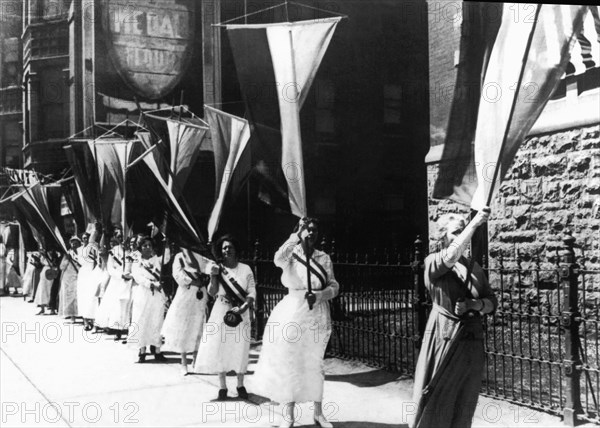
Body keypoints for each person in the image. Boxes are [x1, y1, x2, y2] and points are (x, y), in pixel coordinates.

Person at [409, 208, 498, 428]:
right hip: (445, 338)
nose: (461, 237)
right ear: (442, 237)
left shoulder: (473, 267)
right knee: (440, 399)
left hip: (471, 341)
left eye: (462, 232)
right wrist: (474, 224)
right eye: (455, 233)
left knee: (465, 402)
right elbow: (450, 257)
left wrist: (475, 305)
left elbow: (492, 302)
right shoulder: (433, 262)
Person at [253, 218, 339, 428]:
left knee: (315, 362)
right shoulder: (291, 254)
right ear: (300, 231)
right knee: (289, 360)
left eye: (314, 230)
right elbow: (277, 259)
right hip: (292, 309)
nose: (311, 233)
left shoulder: (324, 257)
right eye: (307, 229)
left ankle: (318, 413)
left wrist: (320, 295)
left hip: (316, 312)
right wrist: (294, 236)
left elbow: (335, 286)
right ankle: (288, 414)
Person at [193, 234, 256, 401]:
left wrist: (243, 308)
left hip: (241, 312)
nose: (227, 250)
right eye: (224, 248)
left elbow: (252, 291)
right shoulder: (217, 268)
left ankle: (240, 384)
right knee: (221, 346)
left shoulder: (246, 269)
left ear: (236, 250)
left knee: (241, 347)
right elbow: (212, 292)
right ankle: (222, 387)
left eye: (230, 247)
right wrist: (213, 275)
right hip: (222, 309)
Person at [161, 248, 218, 375]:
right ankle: (184, 361)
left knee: (198, 326)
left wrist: (210, 269)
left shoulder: (201, 255)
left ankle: (196, 358)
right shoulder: (180, 256)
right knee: (184, 327)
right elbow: (177, 275)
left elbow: (209, 267)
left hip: (200, 293)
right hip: (186, 292)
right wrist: (192, 281)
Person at [129, 236, 168, 363]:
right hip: (143, 293)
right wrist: (151, 284)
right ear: (140, 248)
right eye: (144, 245)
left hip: (156, 295)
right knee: (141, 320)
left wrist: (167, 242)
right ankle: (142, 351)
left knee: (157, 320)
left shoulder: (157, 260)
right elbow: (137, 277)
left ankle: (157, 350)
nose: (147, 248)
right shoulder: (136, 262)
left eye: (149, 245)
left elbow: (167, 257)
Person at [95, 236, 134, 341]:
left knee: (128, 306)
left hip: (130, 281)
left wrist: (130, 275)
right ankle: (117, 330)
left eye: (127, 240)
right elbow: (110, 268)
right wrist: (121, 275)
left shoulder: (133, 252)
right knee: (116, 307)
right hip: (117, 281)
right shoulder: (113, 251)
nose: (125, 242)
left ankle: (128, 329)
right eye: (122, 239)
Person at [77, 231, 100, 330]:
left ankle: (94, 321)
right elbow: (80, 261)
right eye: (83, 238)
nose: (84, 239)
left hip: (92, 272)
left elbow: (96, 259)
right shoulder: (79, 249)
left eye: (86, 237)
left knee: (91, 297)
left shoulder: (94, 247)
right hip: (83, 274)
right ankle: (85, 321)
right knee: (82, 297)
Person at [58, 237, 81, 321]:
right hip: (67, 278)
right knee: (68, 297)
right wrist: (67, 259)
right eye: (73, 243)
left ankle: (79, 314)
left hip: (78, 276)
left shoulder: (82, 253)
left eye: (76, 243)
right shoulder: (67, 254)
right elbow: (61, 267)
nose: (74, 245)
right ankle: (72, 316)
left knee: (76, 296)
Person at [34, 250, 59, 315]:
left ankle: (52, 308)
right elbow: (41, 263)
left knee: (50, 290)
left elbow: (53, 263)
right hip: (44, 272)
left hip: (51, 272)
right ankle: (42, 308)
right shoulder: (43, 255)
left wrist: (48, 257)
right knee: (42, 290)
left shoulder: (55, 255)